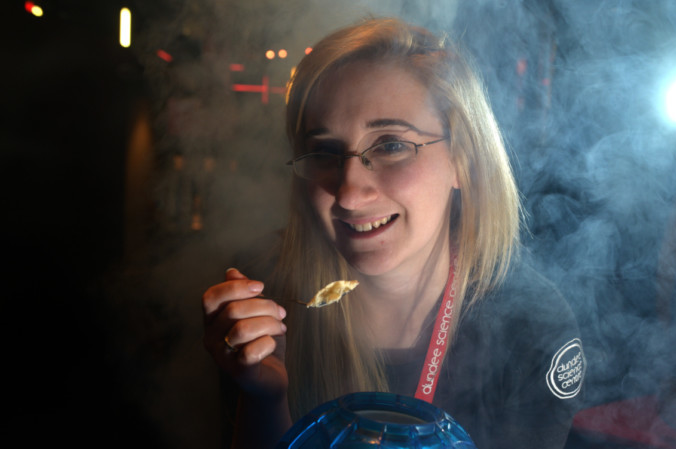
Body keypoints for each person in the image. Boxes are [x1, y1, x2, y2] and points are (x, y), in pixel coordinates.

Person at [202, 17, 585, 449]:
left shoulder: (529, 325)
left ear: (463, 160)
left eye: (390, 145)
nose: (349, 192)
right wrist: (264, 398)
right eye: (325, 151)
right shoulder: (263, 292)